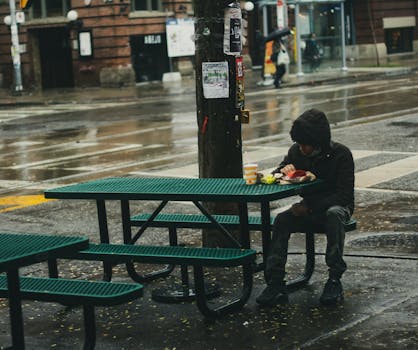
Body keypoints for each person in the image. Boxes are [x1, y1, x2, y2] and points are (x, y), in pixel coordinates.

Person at [256, 108, 355, 307]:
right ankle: (275, 281)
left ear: (318, 142)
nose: (301, 148)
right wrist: (283, 171)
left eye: (305, 144)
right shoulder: (296, 152)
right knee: (282, 220)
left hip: (337, 207)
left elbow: (344, 195)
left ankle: (334, 278)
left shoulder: (340, 154)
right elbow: (277, 175)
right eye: (298, 143)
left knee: (333, 214)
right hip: (306, 208)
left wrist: (309, 208)